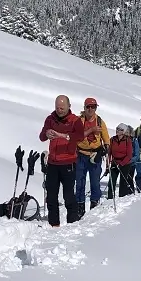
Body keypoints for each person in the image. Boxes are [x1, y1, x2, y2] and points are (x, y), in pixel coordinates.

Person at [39, 95, 84, 226]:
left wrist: (66, 136)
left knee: (68, 195)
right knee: (51, 196)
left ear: (69, 106)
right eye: (57, 108)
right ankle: (54, 225)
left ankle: (72, 224)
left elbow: (80, 136)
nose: (59, 110)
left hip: (68, 162)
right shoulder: (50, 119)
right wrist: (46, 133)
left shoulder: (75, 120)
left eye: (62, 108)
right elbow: (41, 137)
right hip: (53, 162)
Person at [74, 96, 109, 215]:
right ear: (84, 107)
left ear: (95, 108)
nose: (90, 109)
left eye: (93, 107)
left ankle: (94, 205)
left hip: (95, 155)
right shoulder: (79, 121)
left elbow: (106, 137)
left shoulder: (100, 121)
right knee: (80, 182)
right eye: (88, 107)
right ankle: (80, 207)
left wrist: (107, 148)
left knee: (95, 182)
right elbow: (76, 136)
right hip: (81, 154)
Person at [107, 123, 138, 198]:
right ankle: (110, 198)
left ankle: (122, 197)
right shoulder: (112, 140)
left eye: (120, 129)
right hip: (114, 163)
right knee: (111, 181)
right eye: (117, 129)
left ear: (123, 131)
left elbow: (129, 155)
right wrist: (108, 165)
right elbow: (109, 153)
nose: (117, 131)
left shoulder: (128, 141)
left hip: (125, 164)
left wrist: (122, 163)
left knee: (123, 182)